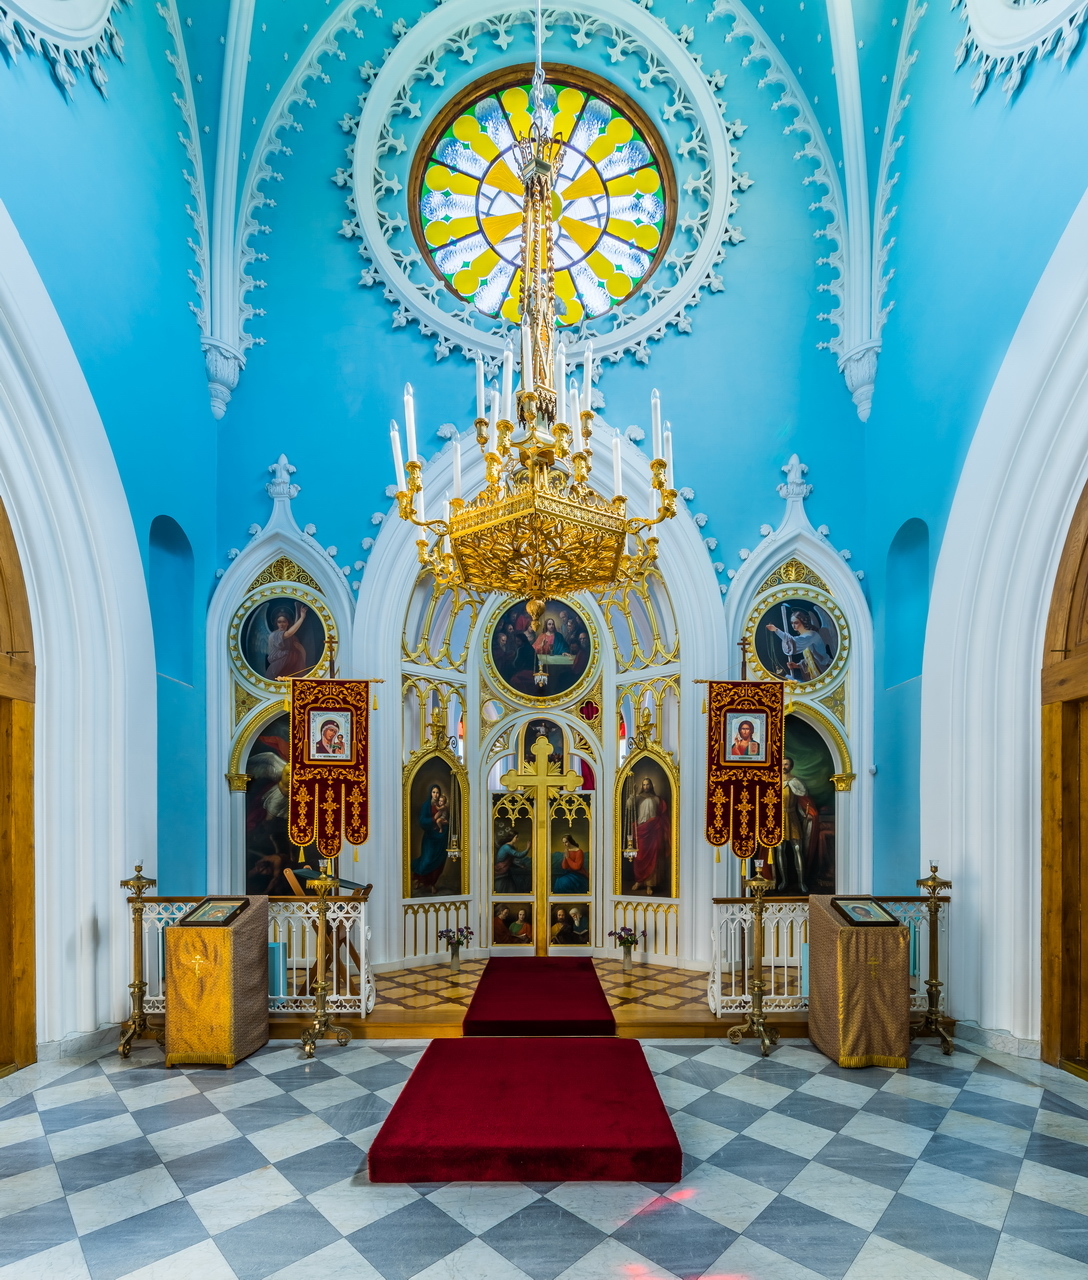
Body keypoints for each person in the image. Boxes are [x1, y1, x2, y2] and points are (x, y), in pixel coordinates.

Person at [773, 757, 820, 894]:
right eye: (781, 764)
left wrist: (806, 813)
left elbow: (803, 797)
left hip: (792, 817)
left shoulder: (795, 782)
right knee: (780, 850)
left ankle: (801, 882)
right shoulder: (774, 781)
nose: (783, 766)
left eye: (786, 764)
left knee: (797, 849)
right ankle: (784, 881)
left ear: (791, 766)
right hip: (778, 820)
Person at [627, 777, 670, 894]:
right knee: (639, 856)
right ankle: (639, 881)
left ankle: (649, 885)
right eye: (644, 785)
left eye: (648, 784)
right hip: (641, 830)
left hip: (654, 831)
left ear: (651, 786)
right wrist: (633, 794)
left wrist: (659, 824)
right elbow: (628, 806)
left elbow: (663, 815)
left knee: (653, 857)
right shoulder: (638, 798)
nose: (646, 787)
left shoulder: (657, 799)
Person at [765, 608, 834, 681]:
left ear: (803, 622)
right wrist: (797, 665)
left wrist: (776, 630)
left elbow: (793, 642)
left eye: (796, 623)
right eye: (792, 623)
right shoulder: (804, 636)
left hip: (824, 668)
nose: (793, 625)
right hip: (815, 671)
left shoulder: (811, 635)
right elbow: (811, 658)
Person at [411, 783, 450, 893]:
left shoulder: (442, 805)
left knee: (439, 860)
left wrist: (444, 822)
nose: (436, 794)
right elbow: (422, 821)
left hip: (441, 837)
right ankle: (420, 879)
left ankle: (432, 883)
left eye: (437, 792)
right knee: (427, 859)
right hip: (430, 837)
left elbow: (447, 818)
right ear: (430, 793)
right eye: (434, 792)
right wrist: (433, 819)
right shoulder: (426, 806)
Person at [266, 603, 310, 679]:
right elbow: (289, 633)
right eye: (279, 622)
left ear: (288, 623)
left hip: (292, 670)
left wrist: (301, 650)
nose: (281, 624)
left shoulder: (293, 637)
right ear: (276, 623)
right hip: (277, 669)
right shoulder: (275, 635)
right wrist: (302, 618)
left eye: (284, 621)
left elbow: (301, 653)